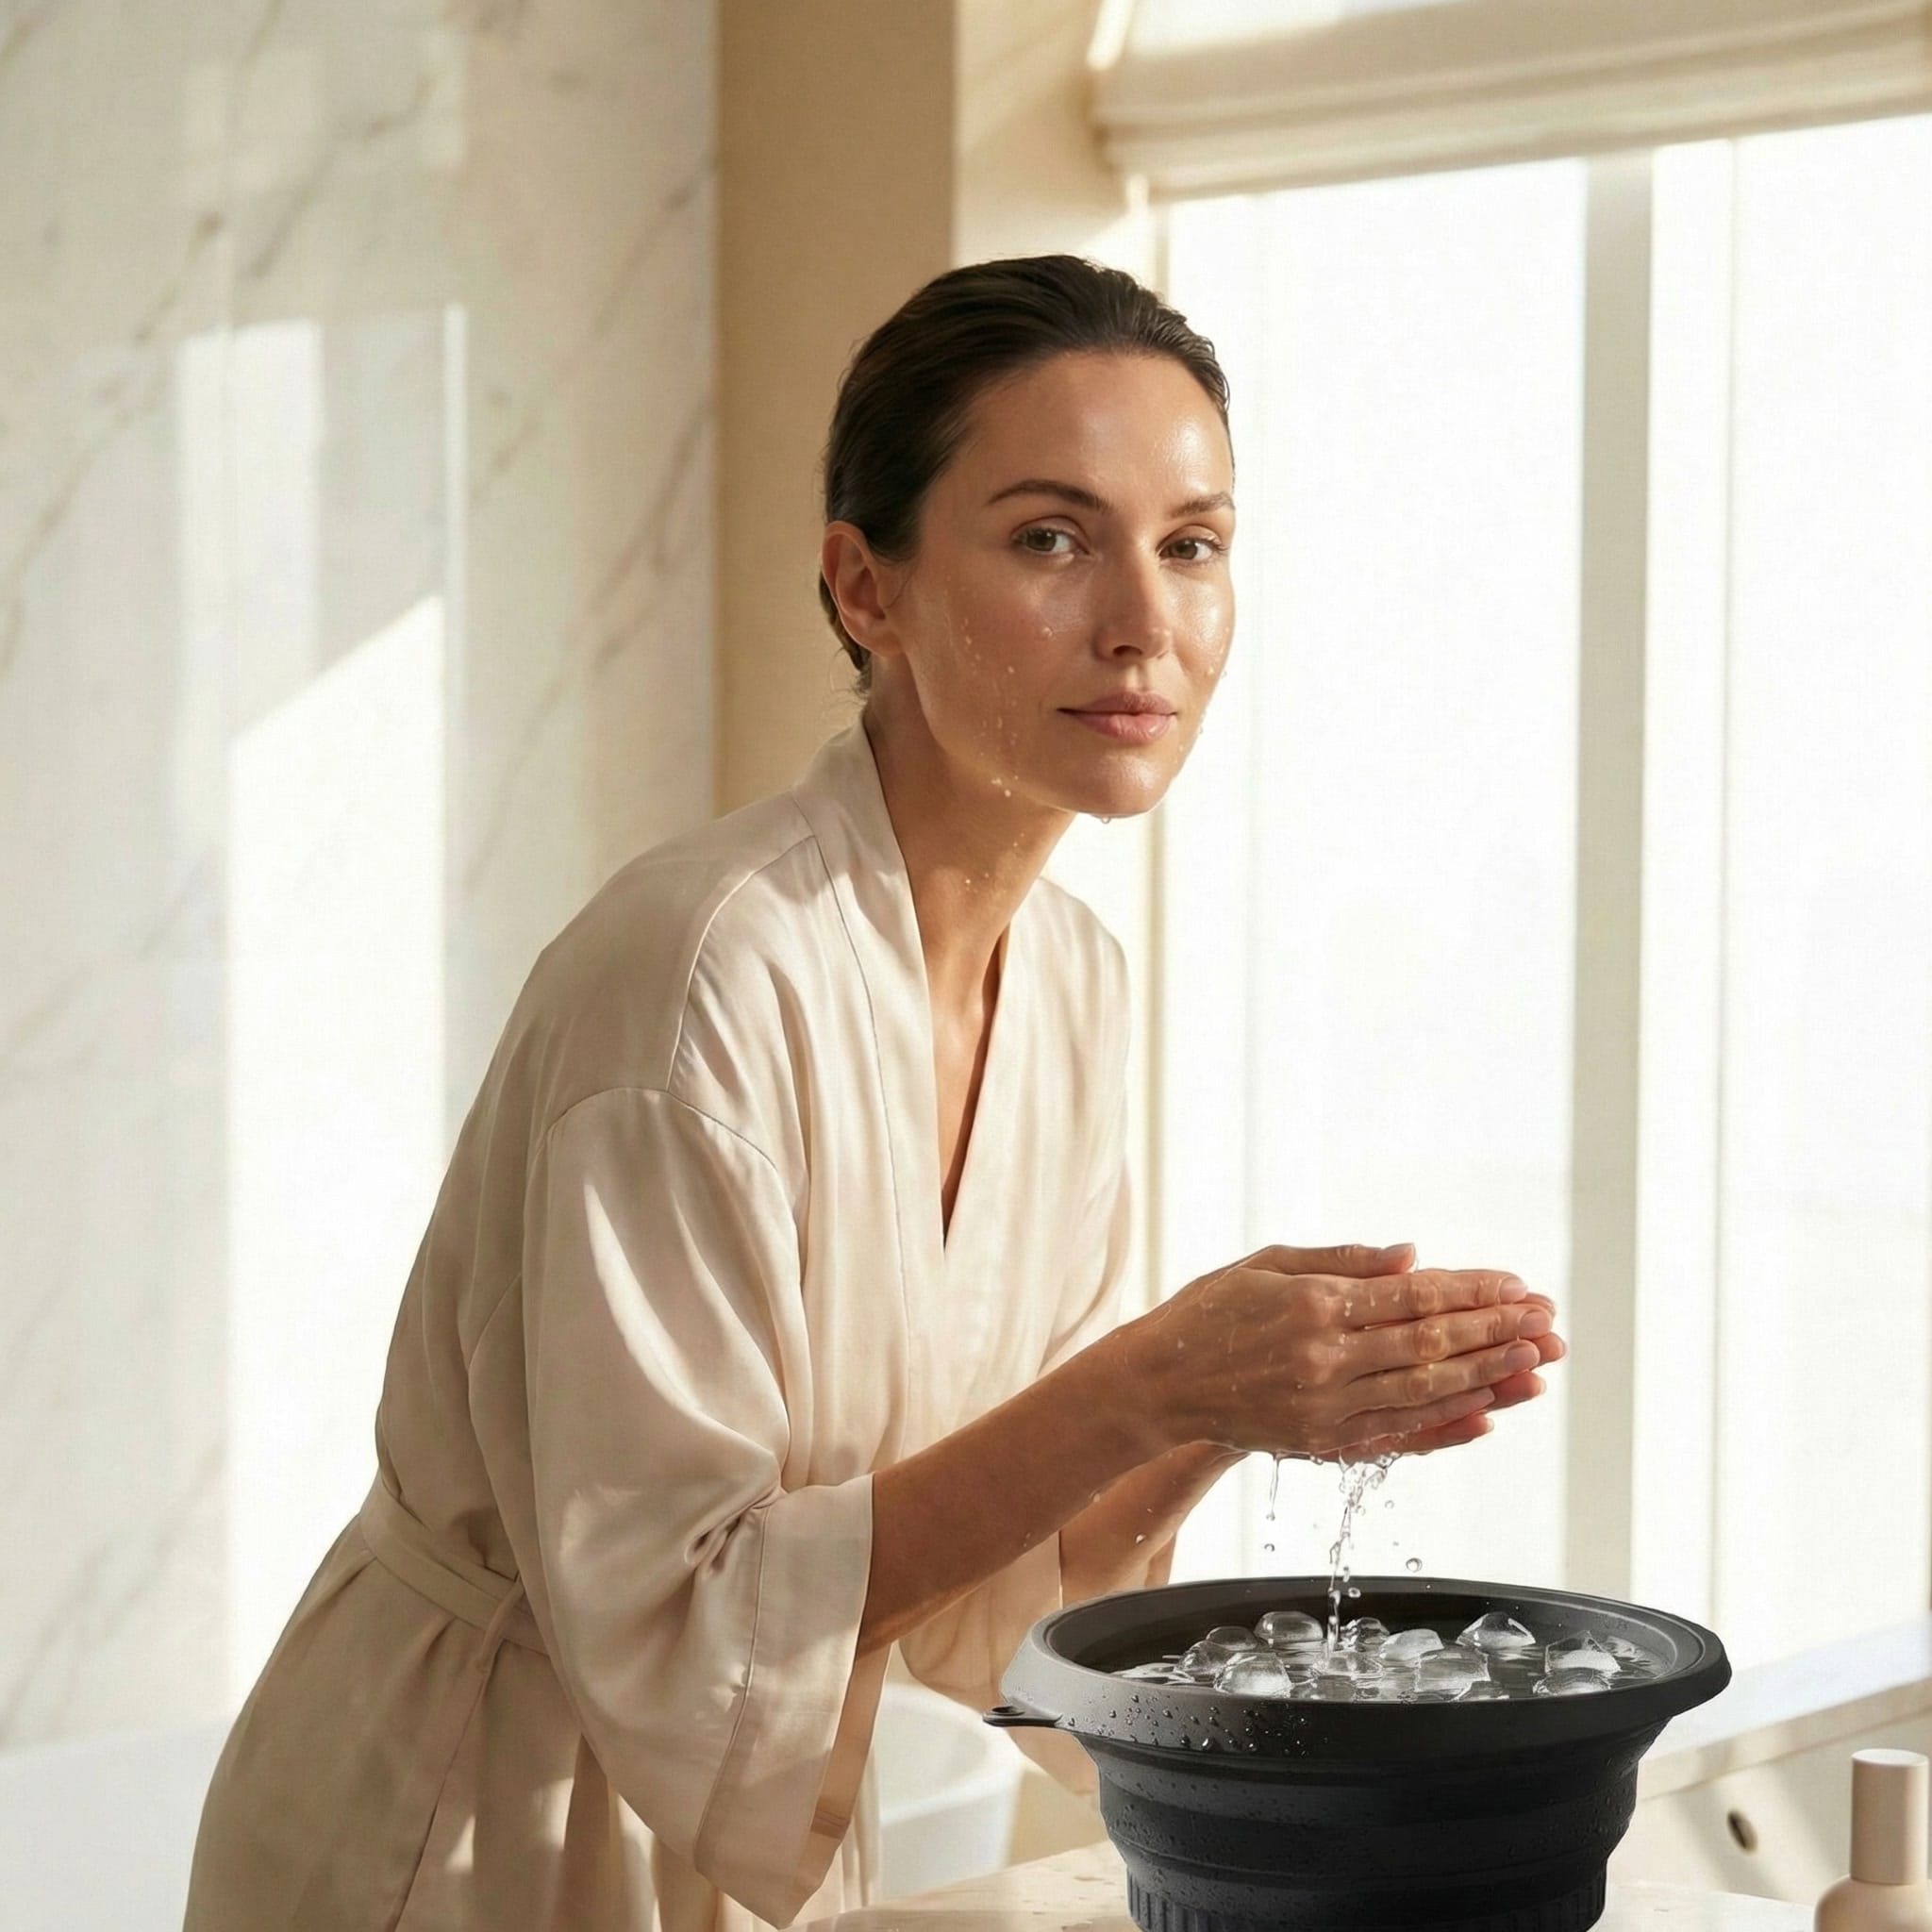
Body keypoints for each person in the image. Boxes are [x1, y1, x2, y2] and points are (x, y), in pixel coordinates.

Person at [183, 254, 1565, 1932]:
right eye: (1053, 538)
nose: (1145, 620)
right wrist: (1152, 1378)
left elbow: (963, 1577)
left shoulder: (1070, 987)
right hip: (465, 1834)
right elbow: (679, 1613)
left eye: (1192, 543)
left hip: (731, 1827)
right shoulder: (700, 976)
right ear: (867, 588)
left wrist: (1229, 1401)